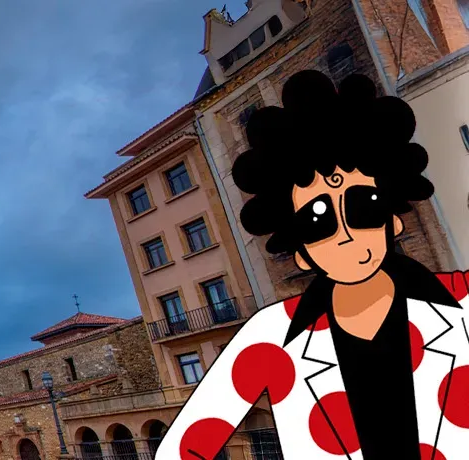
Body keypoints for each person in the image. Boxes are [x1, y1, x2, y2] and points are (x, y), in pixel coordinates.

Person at [153, 69, 468, 459]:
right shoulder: (271, 338)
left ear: (393, 220)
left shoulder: (463, 303)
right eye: (318, 222)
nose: (346, 232)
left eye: (363, 207)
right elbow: (184, 447)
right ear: (301, 251)